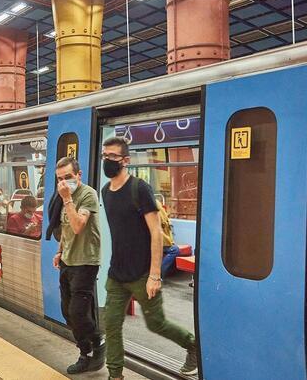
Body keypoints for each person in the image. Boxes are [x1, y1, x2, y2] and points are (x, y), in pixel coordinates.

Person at [100, 137, 197, 377]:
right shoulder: (105, 191)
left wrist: (155, 275)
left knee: (156, 324)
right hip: (117, 274)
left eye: (112, 157)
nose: (107, 161)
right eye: (104, 156)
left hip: (143, 274)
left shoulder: (139, 189)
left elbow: (156, 233)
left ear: (125, 160)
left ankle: (192, 345)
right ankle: (115, 375)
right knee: (111, 326)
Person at [51, 157, 105, 374]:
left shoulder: (87, 195)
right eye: (60, 179)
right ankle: (87, 350)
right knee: (67, 311)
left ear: (79, 175)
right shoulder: (66, 197)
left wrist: (66, 200)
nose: (64, 183)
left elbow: (77, 226)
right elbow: (65, 229)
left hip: (86, 262)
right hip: (68, 261)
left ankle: (95, 345)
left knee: (78, 313)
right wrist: (59, 251)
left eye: (68, 177)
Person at [157, 197, 181, 278]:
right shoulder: (157, 207)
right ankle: (159, 273)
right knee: (175, 250)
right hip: (156, 241)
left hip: (161, 239)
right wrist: (170, 241)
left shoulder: (156, 207)